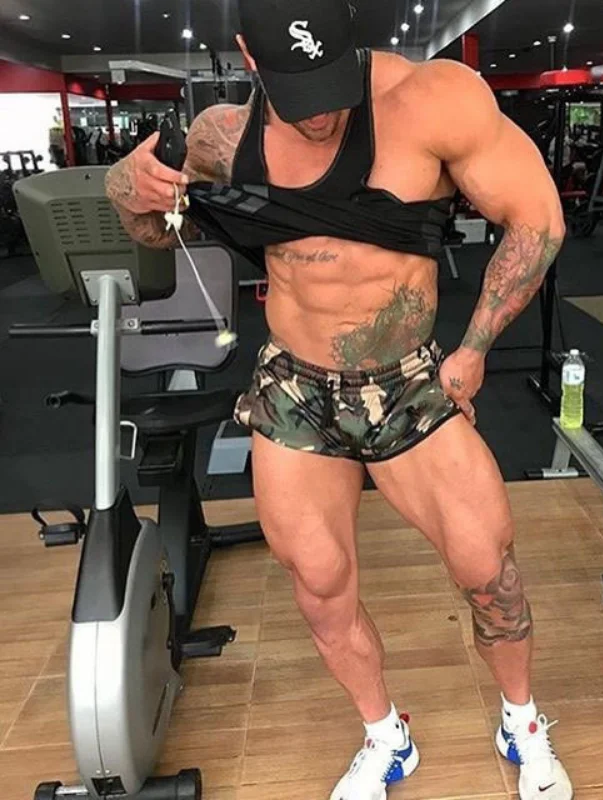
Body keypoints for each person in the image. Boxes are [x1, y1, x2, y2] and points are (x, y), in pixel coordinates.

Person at [104, 1, 569, 798]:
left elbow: (538, 221)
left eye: (329, 88)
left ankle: (521, 720)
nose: (318, 116)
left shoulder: (435, 100)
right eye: (297, 94)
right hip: (296, 385)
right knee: (319, 583)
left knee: (488, 568)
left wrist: (474, 348)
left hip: (408, 382)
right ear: (250, 57)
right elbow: (152, 227)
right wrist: (129, 184)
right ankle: (386, 736)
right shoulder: (223, 135)